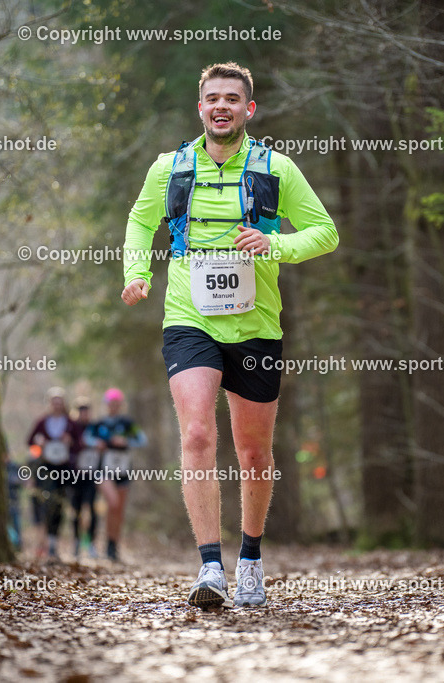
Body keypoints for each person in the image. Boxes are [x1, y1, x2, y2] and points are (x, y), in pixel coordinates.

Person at [121, 62, 338, 608]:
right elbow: (139, 222)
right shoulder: (170, 168)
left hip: (257, 325)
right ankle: (209, 567)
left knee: (254, 450)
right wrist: (137, 274)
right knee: (196, 435)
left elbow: (326, 232)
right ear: (200, 108)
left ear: (248, 109)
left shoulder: (276, 169)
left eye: (232, 99)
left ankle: (252, 560)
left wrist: (277, 246)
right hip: (188, 319)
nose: (222, 106)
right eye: (212, 98)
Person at [83, 388, 146, 561]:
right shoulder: (99, 423)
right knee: (112, 503)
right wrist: (97, 442)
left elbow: (142, 439)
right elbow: (86, 438)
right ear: (106, 404)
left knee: (118, 510)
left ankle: (113, 545)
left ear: (120, 405)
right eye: (111, 403)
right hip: (104, 470)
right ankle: (105, 541)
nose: (113, 406)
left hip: (124, 470)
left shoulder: (127, 423)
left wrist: (127, 441)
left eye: (116, 404)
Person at [27, 387, 80, 559]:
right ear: (50, 404)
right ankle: (47, 542)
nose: (57, 405)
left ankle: (55, 542)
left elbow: (80, 445)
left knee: (61, 504)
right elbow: (30, 443)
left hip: (65, 470)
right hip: (47, 469)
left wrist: (70, 442)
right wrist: (39, 444)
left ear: (64, 404)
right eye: (54, 402)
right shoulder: (42, 422)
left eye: (60, 402)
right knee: (48, 502)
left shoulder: (71, 423)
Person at [70, 399, 99, 559]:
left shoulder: (95, 427)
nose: (85, 415)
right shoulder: (72, 427)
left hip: (92, 474)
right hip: (75, 475)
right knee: (76, 509)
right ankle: (76, 542)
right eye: (82, 411)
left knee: (92, 508)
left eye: (87, 411)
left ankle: (92, 544)